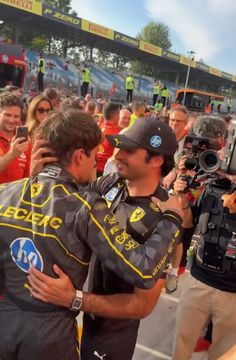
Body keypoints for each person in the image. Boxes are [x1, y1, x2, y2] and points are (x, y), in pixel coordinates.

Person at [0, 110, 183, 360]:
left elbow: (143, 303)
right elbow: (65, 191)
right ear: (78, 156)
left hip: (108, 333)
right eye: (97, 154)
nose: (114, 156)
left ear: (156, 159)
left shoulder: (160, 214)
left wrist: (75, 299)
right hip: (56, 327)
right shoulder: (107, 186)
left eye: (128, 150)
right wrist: (40, 180)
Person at [172, 116, 236, 360]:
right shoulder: (209, 181)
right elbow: (189, 223)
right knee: (180, 345)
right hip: (197, 279)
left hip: (232, 293)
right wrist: (182, 197)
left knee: (222, 354)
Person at [0, 92, 31, 184]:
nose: (12, 120)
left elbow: (27, 178)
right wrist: (11, 155)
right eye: (7, 115)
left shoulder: (25, 141)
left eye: (16, 116)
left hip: (15, 197)